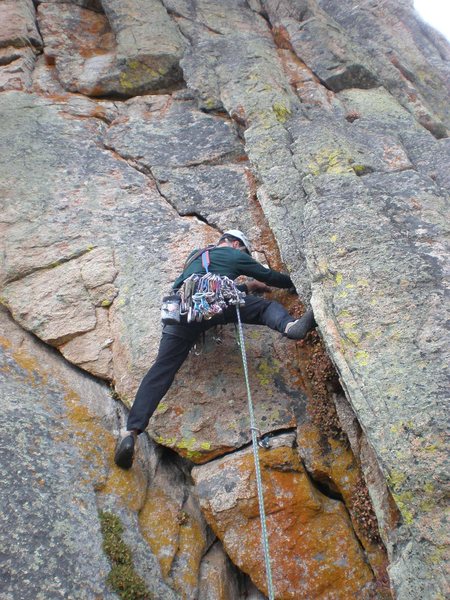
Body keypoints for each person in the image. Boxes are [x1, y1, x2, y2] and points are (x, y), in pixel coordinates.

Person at [114, 230, 316, 469]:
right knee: (264, 309)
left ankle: (130, 432)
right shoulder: (232, 254)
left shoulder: (194, 259)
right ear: (234, 243)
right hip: (216, 301)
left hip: (181, 308)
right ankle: (290, 326)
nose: (242, 254)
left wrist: (247, 287)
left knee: (162, 369)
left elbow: (206, 280)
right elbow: (270, 277)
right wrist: (298, 281)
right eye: (243, 250)